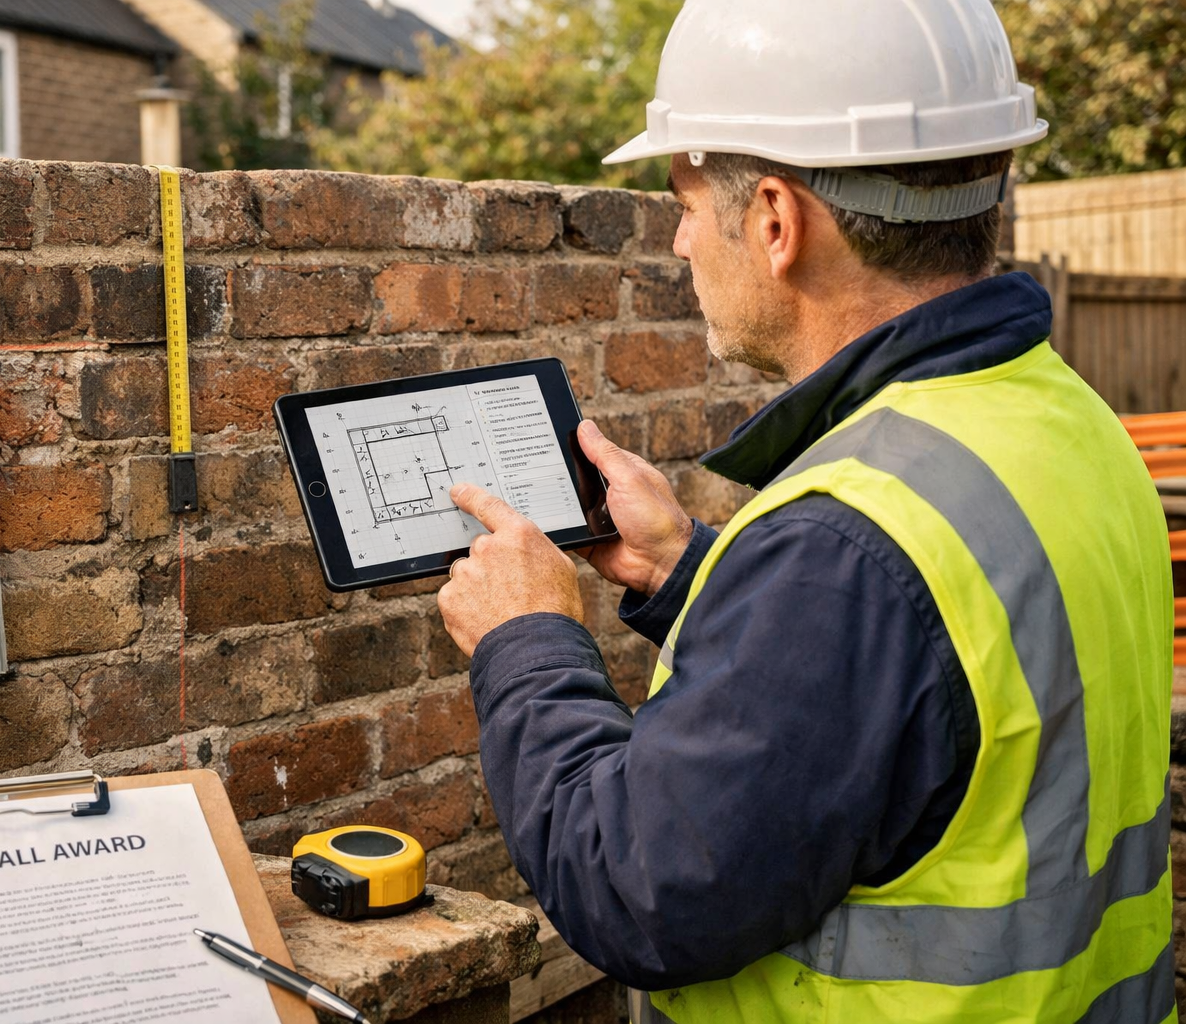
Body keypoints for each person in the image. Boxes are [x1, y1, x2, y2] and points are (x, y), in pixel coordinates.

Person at [437, 1, 1176, 1021]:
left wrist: (528, 642)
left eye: (686, 203)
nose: (683, 241)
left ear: (777, 222)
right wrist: (691, 571)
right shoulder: (1067, 416)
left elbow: (638, 891)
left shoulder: (844, 554)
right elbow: (923, 698)